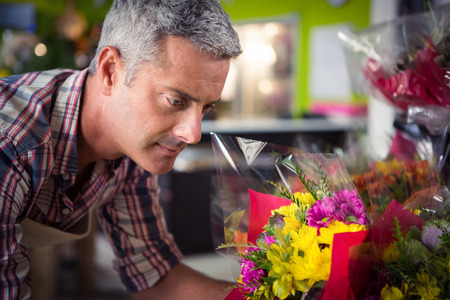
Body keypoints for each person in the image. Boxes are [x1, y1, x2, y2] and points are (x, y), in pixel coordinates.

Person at [0, 0, 241, 299]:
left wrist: (264, 293)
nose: (192, 134)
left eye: (205, 108)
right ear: (110, 71)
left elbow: (154, 277)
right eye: (175, 101)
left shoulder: (132, 149)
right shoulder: (11, 142)